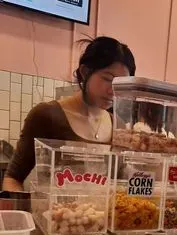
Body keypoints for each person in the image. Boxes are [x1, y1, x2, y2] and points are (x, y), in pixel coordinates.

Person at [2, 36, 136, 191]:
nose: (112, 91)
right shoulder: (46, 115)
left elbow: (121, 187)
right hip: (52, 207)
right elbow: (13, 178)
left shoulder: (119, 126)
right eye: (107, 79)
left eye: (120, 85)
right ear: (85, 72)